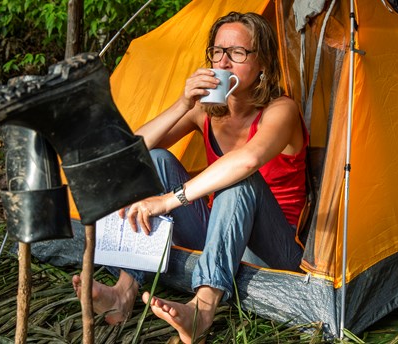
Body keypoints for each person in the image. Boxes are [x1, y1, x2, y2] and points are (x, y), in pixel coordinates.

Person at [72, 11, 308, 343]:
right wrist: (184, 104)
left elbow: (248, 159)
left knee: (239, 179)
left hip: (274, 251)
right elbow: (131, 153)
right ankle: (124, 292)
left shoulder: (281, 110)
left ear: (262, 64)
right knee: (155, 161)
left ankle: (202, 308)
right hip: (218, 238)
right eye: (217, 52)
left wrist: (169, 201)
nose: (223, 63)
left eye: (238, 53)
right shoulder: (206, 111)